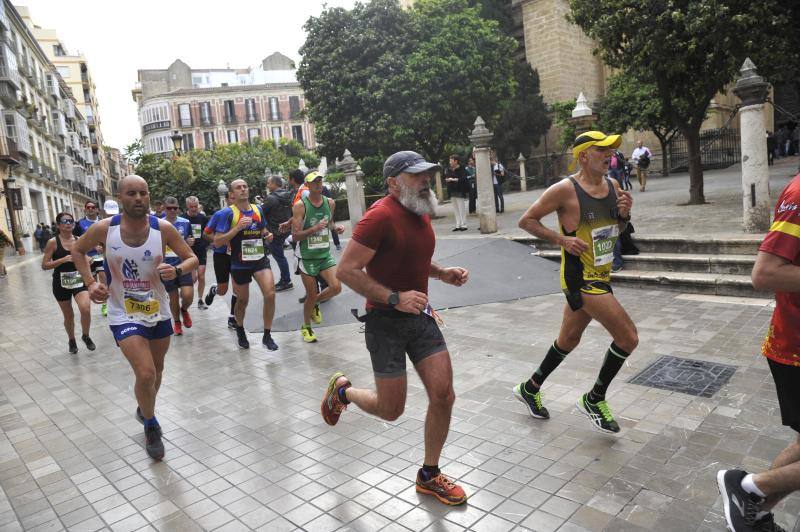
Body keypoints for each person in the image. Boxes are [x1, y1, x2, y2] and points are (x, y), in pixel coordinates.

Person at [322, 150, 470, 506]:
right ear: (392, 182)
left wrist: (440, 273)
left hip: (419, 317)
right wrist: (394, 298)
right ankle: (343, 393)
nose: (425, 181)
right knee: (391, 409)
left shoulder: (419, 210)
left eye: (427, 174)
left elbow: (413, 256)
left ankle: (429, 474)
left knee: (444, 394)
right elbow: (347, 271)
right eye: (417, 175)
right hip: (385, 322)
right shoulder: (379, 217)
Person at [513, 131, 636, 433]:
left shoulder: (614, 185)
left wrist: (624, 215)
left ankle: (530, 387)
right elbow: (526, 221)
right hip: (580, 278)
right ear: (583, 156)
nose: (609, 155)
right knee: (628, 337)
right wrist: (561, 240)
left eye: (610, 151)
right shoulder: (564, 190)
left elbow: (618, 230)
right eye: (601, 150)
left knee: (568, 339)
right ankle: (595, 399)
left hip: (602, 271)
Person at [71, 175, 198, 460]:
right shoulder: (105, 229)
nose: (138, 198)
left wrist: (176, 270)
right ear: (120, 197)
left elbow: (192, 258)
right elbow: (77, 250)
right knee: (146, 373)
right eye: (131, 193)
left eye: (143, 192)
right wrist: (91, 283)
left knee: (157, 370)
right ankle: (151, 425)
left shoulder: (162, 228)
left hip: (158, 310)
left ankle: (145, 408)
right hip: (123, 311)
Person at [717, 171, 800, 532]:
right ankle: (750, 488)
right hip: (795, 350)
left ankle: (755, 505)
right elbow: (764, 273)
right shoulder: (799, 194)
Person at [212, 179, 278, 350]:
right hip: (239, 263)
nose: (242, 189)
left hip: (259, 260)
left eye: (245, 186)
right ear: (232, 194)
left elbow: (262, 230)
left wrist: (267, 235)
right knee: (242, 300)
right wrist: (236, 229)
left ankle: (267, 335)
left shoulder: (258, 209)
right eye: (238, 188)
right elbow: (217, 242)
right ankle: (240, 328)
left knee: (270, 294)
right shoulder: (228, 214)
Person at [291, 172, 344, 342]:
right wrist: (314, 228)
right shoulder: (300, 206)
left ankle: (314, 303)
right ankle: (306, 326)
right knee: (311, 293)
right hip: (305, 256)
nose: (319, 184)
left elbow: (329, 222)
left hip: (323, 253)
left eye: (320, 180)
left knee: (336, 287)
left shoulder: (330, 203)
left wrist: (336, 229)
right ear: (307, 185)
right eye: (314, 181)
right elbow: (295, 235)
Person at [41, 212, 95, 354]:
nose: (68, 223)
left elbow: (85, 256)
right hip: (61, 283)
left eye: (71, 221)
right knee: (69, 316)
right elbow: (44, 265)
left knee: (85, 308)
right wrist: (62, 260)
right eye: (65, 221)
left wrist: (88, 260)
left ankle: (86, 335)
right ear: (58, 225)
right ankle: (71, 340)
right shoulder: (53, 242)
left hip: (79, 279)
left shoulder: (79, 239)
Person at [203, 190, 238, 329]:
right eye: (232, 198)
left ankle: (232, 317)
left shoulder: (245, 214)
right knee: (223, 290)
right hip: (221, 255)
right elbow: (206, 234)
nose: (235, 201)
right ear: (228, 199)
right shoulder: (220, 215)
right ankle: (214, 290)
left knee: (238, 288)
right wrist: (221, 240)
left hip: (237, 255)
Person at [162, 197, 195, 335]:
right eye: (169, 208)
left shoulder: (185, 223)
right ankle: (176, 322)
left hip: (183, 265)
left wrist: (190, 242)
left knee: (188, 295)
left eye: (175, 208)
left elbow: (190, 242)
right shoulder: (158, 224)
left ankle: (184, 309)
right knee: (173, 297)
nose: (172, 211)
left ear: (178, 209)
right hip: (167, 267)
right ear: (165, 209)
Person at [74, 200, 110, 316]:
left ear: (97, 209)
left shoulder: (103, 223)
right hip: (88, 258)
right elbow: (75, 239)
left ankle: (105, 304)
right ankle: (94, 301)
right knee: (93, 282)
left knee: (103, 276)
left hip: (102, 257)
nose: (90, 209)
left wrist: (103, 246)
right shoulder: (79, 224)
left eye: (93, 207)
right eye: (88, 207)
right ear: (85, 209)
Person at [261, 175, 294, 292]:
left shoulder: (271, 198)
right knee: (281, 256)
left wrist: (260, 205)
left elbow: (261, 212)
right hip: (286, 229)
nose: (267, 185)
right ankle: (285, 279)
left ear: (275, 184)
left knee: (280, 257)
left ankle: (286, 281)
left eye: (269, 183)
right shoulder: (288, 195)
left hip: (274, 232)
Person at [184, 196, 210, 309]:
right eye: (191, 207)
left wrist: (207, 242)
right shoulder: (182, 219)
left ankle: (200, 300)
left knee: (201, 276)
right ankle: (186, 297)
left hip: (201, 251)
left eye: (195, 206)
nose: (194, 209)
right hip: (188, 252)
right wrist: (185, 241)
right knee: (192, 279)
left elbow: (208, 233)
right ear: (187, 206)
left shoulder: (203, 218)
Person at [444, 154, 468, 231]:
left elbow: (464, 178)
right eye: (450, 161)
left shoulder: (462, 168)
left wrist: (454, 179)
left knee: (461, 208)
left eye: (451, 161)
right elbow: (447, 177)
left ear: (456, 161)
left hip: (459, 190)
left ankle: (464, 225)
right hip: (451, 190)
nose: (450, 162)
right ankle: (458, 225)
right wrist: (448, 179)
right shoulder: (448, 169)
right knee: (455, 209)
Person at [321, 183, 342, 250]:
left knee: (332, 227)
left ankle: (337, 244)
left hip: (327, 210)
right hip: (321, 211)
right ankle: (324, 246)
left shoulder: (324, 188)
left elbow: (330, 200)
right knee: (323, 228)